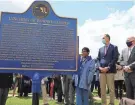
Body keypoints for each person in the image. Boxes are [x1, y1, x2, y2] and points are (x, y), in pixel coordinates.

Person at [97, 34, 119, 105]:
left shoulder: (114, 47)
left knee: (111, 89)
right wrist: (99, 67)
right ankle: (103, 103)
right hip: (101, 71)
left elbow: (115, 58)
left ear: (107, 38)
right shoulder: (100, 49)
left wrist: (108, 67)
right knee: (102, 89)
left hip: (110, 71)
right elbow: (98, 59)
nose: (102, 39)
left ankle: (111, 103)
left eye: (103, 38)